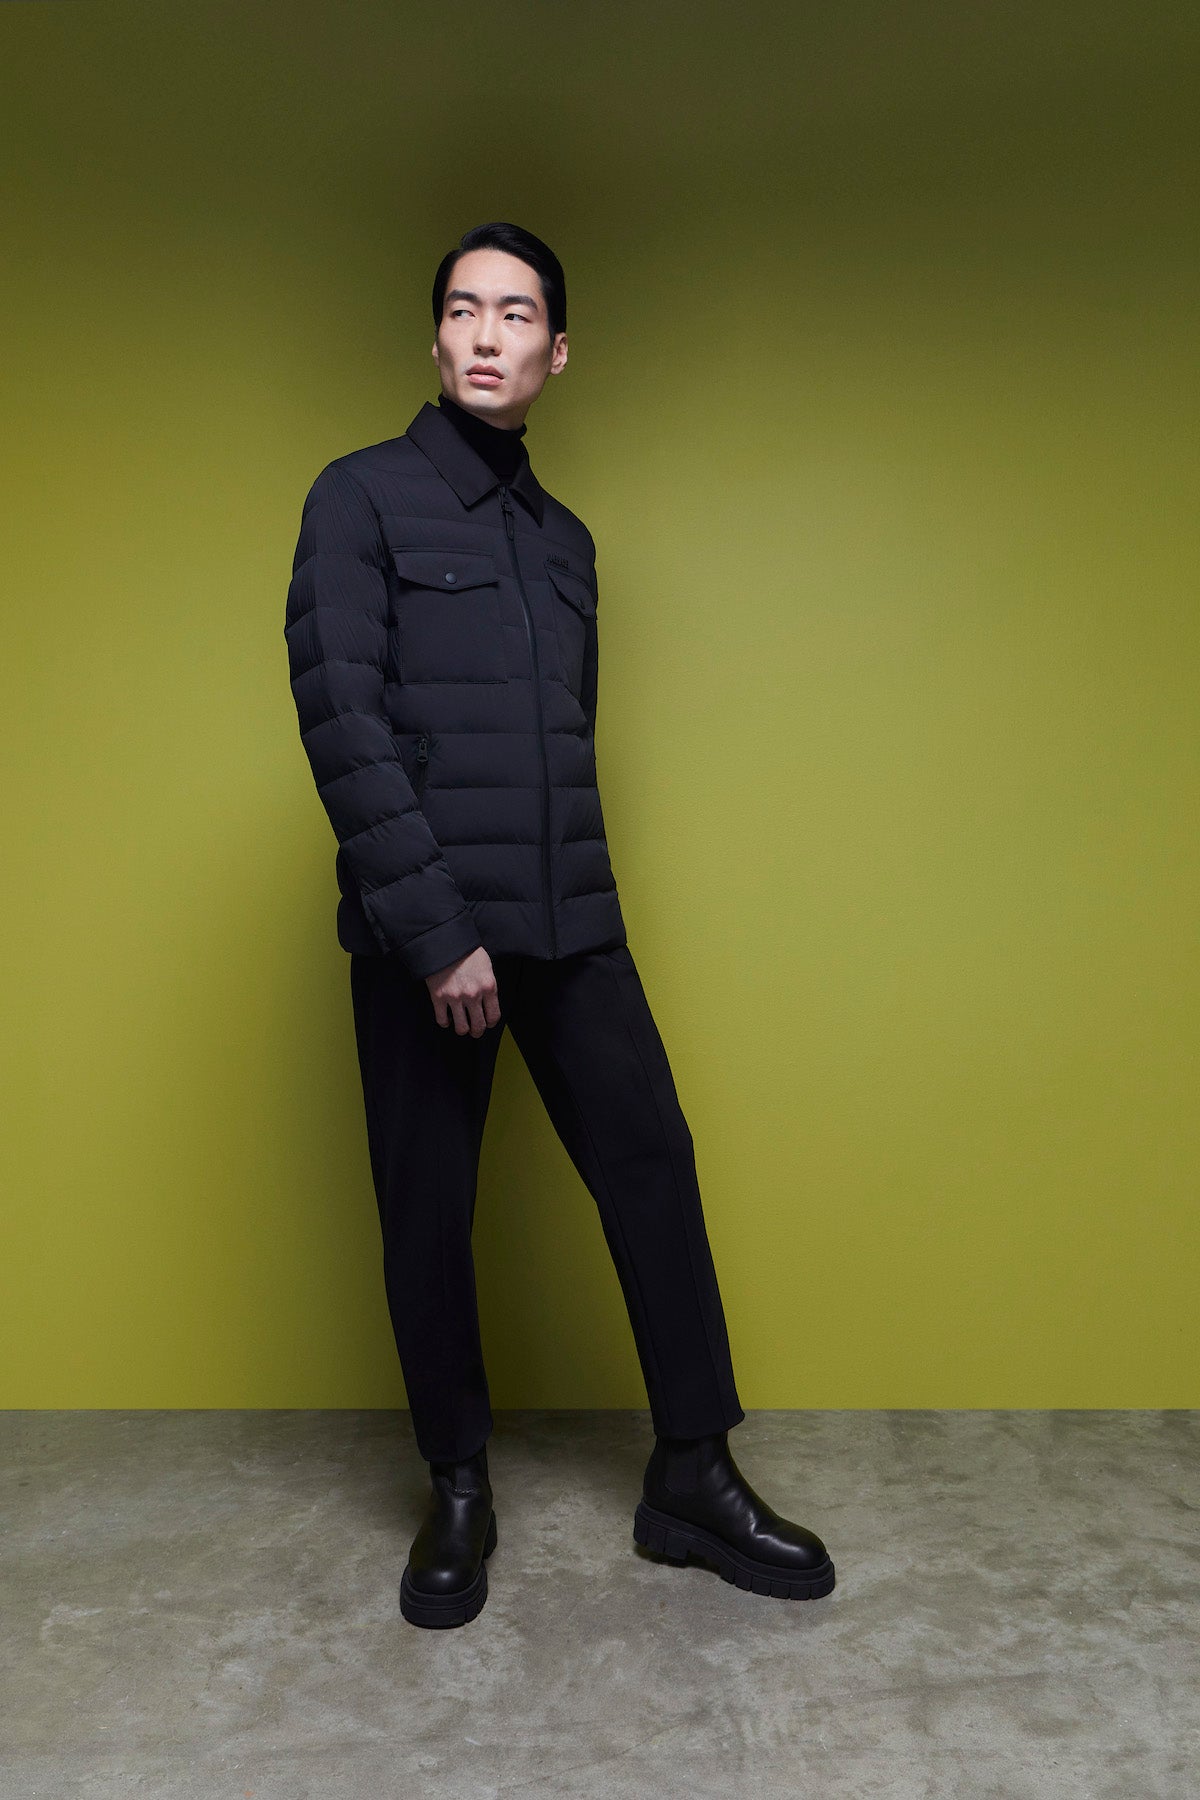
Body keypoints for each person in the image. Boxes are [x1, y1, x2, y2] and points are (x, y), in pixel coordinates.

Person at [284, 222, 835, 1628]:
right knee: (429, 1206)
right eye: (465, 309)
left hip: (571, 919)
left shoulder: (567, 544)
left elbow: (564, 741)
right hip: (427, 933)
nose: (488, 335)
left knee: (653, 1162)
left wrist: (563, 914)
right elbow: (343, 718)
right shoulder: (358, 497)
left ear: (558, 351)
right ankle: (458, 1487)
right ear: (435, 336)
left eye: (517, 313)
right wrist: (436, 931)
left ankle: (692, 1473)